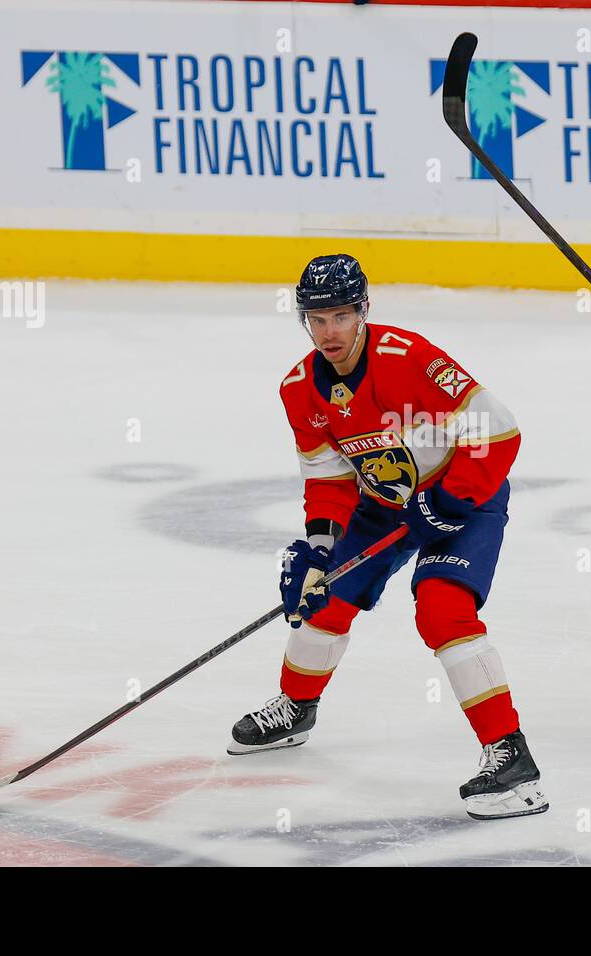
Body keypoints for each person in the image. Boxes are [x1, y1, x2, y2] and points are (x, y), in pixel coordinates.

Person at [228, 253, 547, 818]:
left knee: (443, 612)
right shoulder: (299, 388)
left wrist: (452, 499)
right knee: (322, 598)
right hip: (384, 505)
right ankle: (297, 708)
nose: (329, 331)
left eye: (341, 316)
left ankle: (511, 758)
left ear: (364, 311)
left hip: (463, 496)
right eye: (316, 318)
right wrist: (319, 551)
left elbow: (499, 430)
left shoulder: (410, 356)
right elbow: (327, 478)